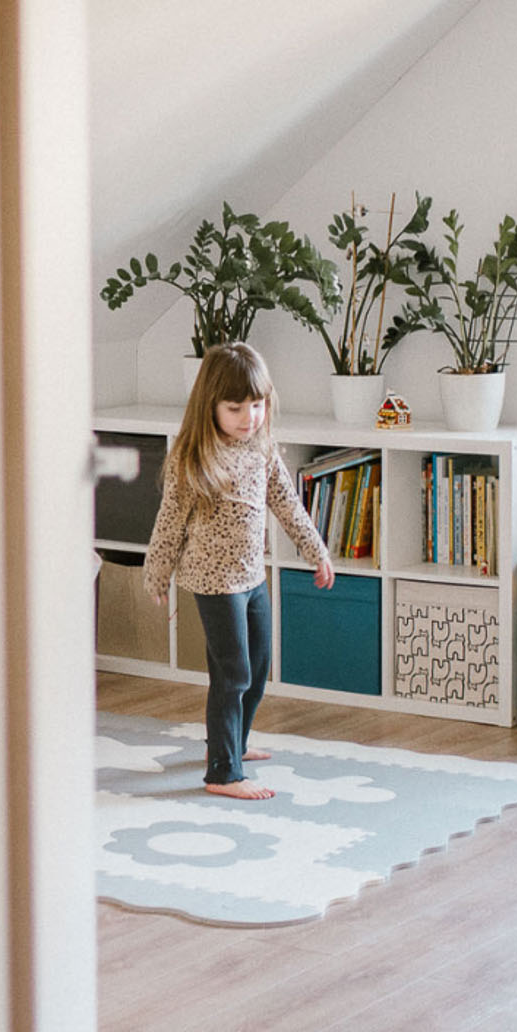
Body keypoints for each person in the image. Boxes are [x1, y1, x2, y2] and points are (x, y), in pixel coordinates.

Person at [143, 342, 333, 800]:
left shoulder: (260, 450)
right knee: (232, 674)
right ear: (209, 405)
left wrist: (317, 551)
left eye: (258, 405)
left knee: (258, 667)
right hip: (214, 583)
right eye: (236, 408)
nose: (250, 417)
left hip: (252, 578)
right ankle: (223, 773)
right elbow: (169, 521)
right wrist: (157, 572)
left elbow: (288, 504)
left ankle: (234, 744)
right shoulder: (193, 458)